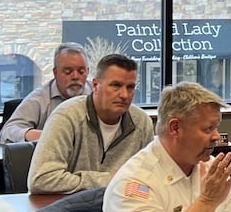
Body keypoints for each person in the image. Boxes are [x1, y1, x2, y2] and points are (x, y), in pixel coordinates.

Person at [99, 81, 231, 212]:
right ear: (175, 128)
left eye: (216, 127)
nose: (216, 136)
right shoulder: (135, 180)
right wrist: (207, 201)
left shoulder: (213, 171)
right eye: (207, 128)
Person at [27, 53, 154, 194]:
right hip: (71, 206)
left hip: (122, 204)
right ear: (95, 85)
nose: (124, 95)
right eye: (115, 85)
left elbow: (149, 182)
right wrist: (109, 180)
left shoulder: (142, 123)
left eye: (130, 87)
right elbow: (40, 179)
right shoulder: (67, 116)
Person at [0, 42, 92, 145]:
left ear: (88, 71)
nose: (75, 76)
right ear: (55, 73)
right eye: (68, 72)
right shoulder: (39, 98)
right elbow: (6, 133)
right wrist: (48, 136)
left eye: (81, 71)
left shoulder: (97, 94)